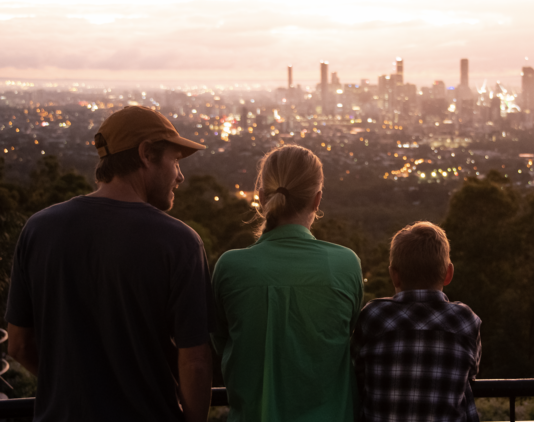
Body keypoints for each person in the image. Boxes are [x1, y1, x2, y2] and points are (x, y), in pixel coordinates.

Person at [6, 105, 215, 422]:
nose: (180, 175)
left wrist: (67, 388)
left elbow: (19, 346)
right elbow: (195, 361)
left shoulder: (38, 229)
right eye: (175, 160)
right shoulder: (179, 243)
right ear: (146, 154)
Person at [212, 145, 363, 422]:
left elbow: (222, 343)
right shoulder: (346, 265)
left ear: (261, 197)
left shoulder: (230, 267)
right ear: (317, 200)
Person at [351, 221, 482, 422]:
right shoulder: (465, 320)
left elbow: (357, 370)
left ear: (394, 276)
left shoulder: (373, 317)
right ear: (448, 274)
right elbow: (471, 373)